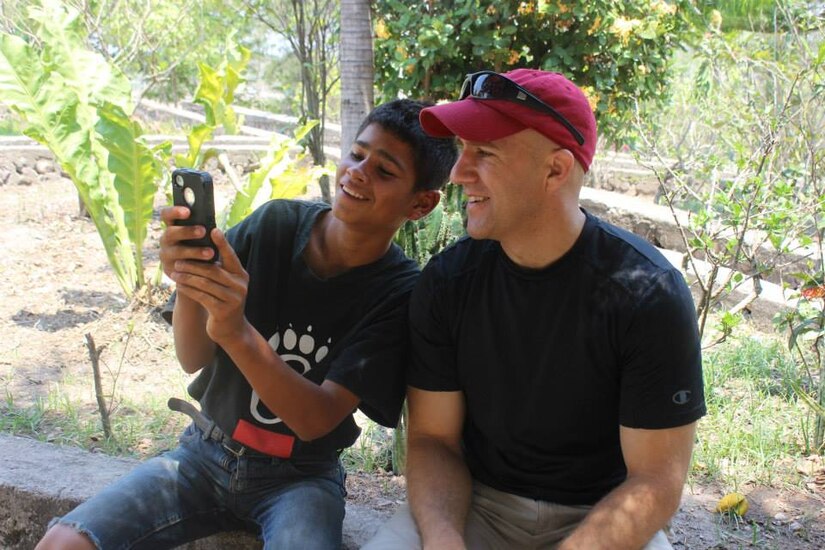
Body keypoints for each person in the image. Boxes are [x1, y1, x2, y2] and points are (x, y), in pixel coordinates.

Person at [35, 99, 458, 550]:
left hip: (301, 478)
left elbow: (314, 420)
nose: (358, 172)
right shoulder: (276, 224)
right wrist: (189, 280)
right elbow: (191, 356)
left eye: (385, 171)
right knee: (64, 542)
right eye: (357, 154)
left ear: (421, 203)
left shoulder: (399, 292)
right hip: (201, 453)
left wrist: (236, 332)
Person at [364, 69, 706, 550]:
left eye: (484, 153)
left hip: (600, 519)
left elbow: (654, 483)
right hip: (476, 505)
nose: (458, 173)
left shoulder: (647, 294)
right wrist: (443, 539)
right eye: (462, 150)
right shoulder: (447, 282)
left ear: (555, 170)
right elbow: (433, 440)